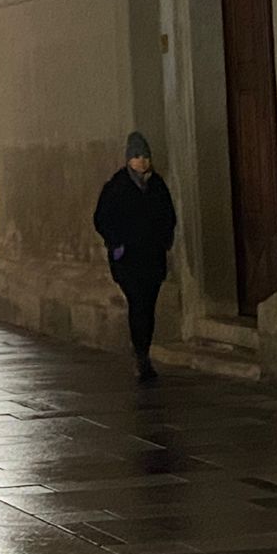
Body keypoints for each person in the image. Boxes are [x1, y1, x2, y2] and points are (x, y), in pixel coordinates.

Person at [93, 131, 177, 382]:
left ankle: (143, 350)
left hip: (152, 257)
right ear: (129, 159)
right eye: (137, 156)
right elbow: (102, 219)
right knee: (138, 303)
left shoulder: (157, 185)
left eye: (146, 157)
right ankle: (141, 354)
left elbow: (168, 216)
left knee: (148, 306)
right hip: (128, 258)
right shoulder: (117, 186)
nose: (142, 161)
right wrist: (117, 241)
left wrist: (164, 240)